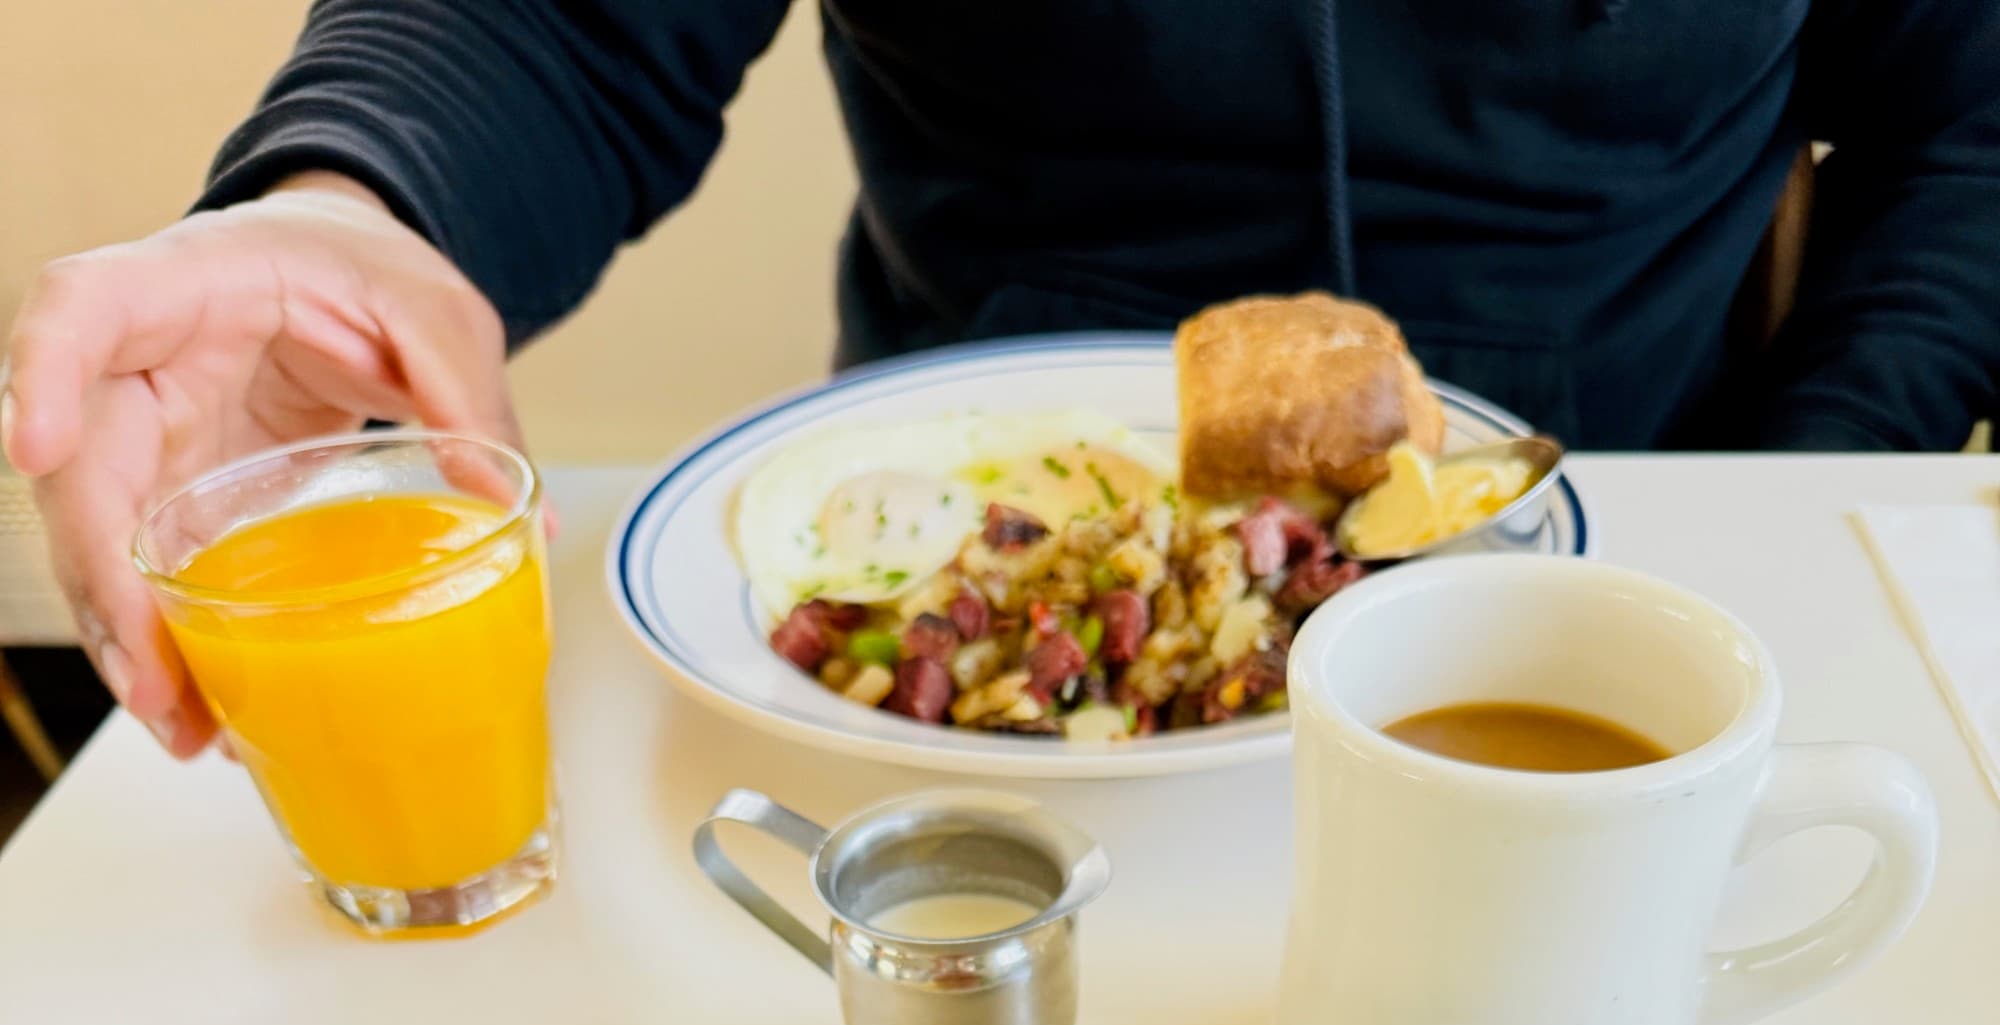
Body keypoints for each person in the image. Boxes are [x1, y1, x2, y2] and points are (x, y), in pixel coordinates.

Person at [6, 0, 1999, 758]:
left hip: (1641, 614)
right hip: (934, 670)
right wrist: (358, 208)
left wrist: (1777, 503)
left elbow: (1967, 126)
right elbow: (561, 26)